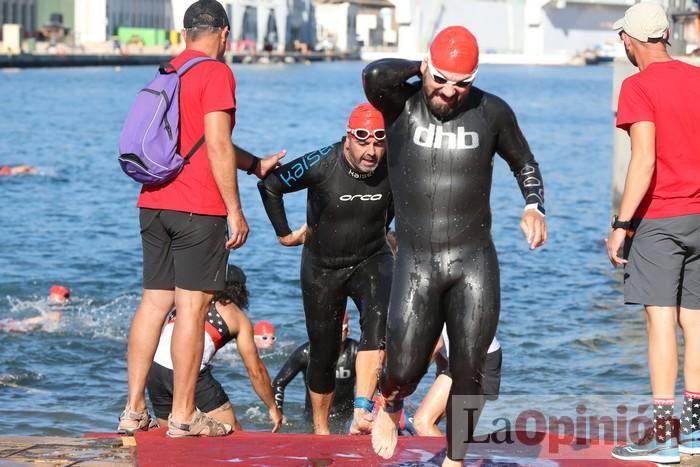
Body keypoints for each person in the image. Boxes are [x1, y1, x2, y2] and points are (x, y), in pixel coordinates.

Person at [363, 25, 546, 464]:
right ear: (426, 68)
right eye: (441, 79)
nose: (449, 92)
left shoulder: (491, 112)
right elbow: (373, 75)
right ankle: (388, 402)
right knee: (405, 368)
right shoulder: (400, 103)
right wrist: (420, 69)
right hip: (417, 259)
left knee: (470, 368)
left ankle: (455, 458)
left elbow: (525, 162)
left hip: (473, 259)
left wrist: (534, 206)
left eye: (461, 83)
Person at [118, 0, 284, 439]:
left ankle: (133, 409)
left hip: (153, 199)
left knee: (154, 304)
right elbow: (215, 144)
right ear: (224, 33)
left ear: (186, 32)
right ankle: (184, 415)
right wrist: (235, 208)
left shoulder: (168, 71)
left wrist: (255, 165)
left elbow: (203, 141)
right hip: (198, 207)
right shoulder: (216, 73)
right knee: (191, 309)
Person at [258, 103, 393, 435]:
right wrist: (284, 233)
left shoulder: (396, 164)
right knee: (323, 351)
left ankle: (362, 410)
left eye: (379, 142)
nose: (371, 152)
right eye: (363, 142)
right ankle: (321, 430)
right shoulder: (322, 162)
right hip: (322, 268)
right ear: (348, 139)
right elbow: (270, 185)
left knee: (380, 326)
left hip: (371, 258)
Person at [607, 2, 700, 463]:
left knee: (660, 322)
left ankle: (665, 437)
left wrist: (621, 225)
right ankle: (696, 432)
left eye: (622, 38)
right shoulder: (698, 78)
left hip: (660, 220)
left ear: (631, 39)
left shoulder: (637, 86)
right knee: (696, 320)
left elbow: (643, 160)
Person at [147, 264, 283, 432]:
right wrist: (272, 406)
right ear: (242, 290)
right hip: (189, 372)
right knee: (232, 433)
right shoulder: (237, 317)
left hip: (155, 371)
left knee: (173, 435)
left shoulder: (190, 301)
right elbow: (256, 370)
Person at [272, 310, 357, 426]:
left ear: (348, 331)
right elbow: (278, 383)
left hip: (345, 418)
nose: (335, 334)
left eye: (340, 329)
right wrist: (278, 412)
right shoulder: (306, 352)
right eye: (332, 330)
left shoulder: (357, 352)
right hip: (312, 419)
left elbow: (376, 382)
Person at [412, 326, 502, 437]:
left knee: (422, 423)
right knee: (452, 432)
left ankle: (451, 453)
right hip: (468, 357)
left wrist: (402, 387)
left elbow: (436, 344)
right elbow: (441, 351)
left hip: (476, 358)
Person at [0, 285, 69, 332]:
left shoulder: (54, 313)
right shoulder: (55, 313)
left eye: (52, 296)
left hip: (21, 326)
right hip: (23, 326)